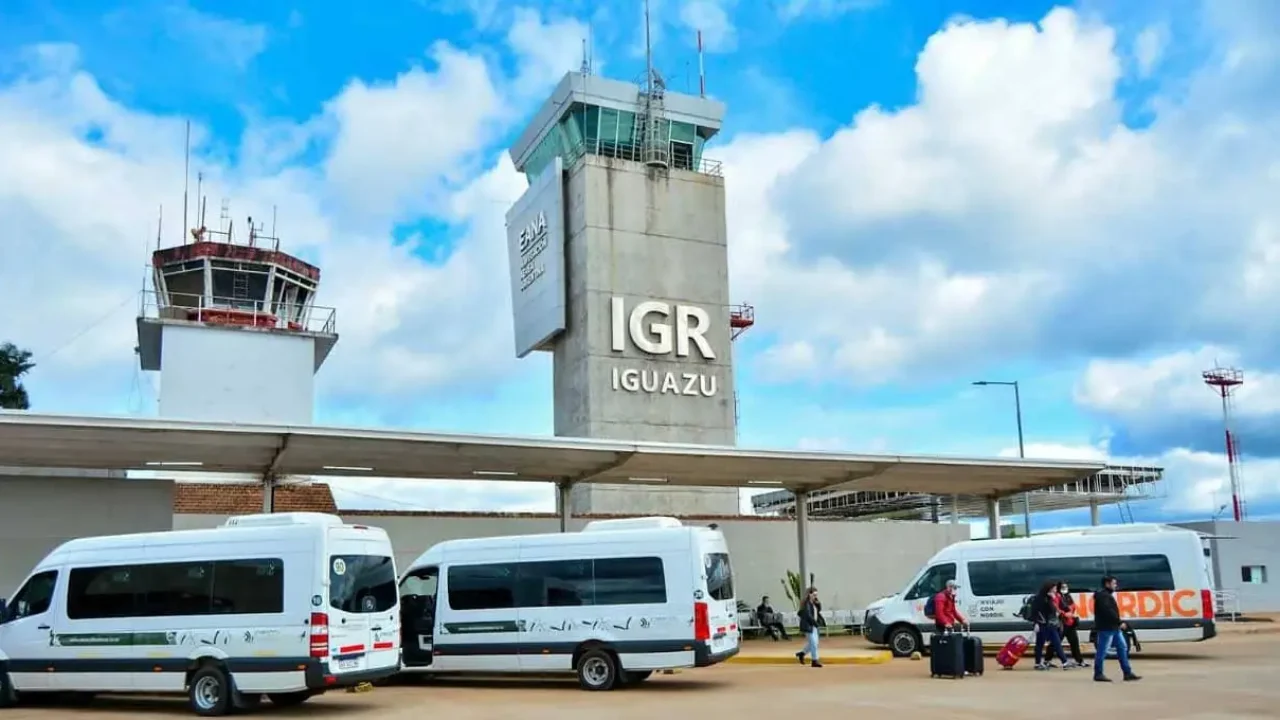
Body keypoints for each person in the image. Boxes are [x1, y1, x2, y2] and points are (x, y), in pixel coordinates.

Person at [1093, 575, 1142, 683]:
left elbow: (1111, 612)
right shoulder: (1103, 596)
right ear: (1107, 584)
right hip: (1107, 628)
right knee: (1102, 651)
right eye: (1114, 583)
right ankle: (1098, 673)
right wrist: (1119, 622)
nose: (1116, 586)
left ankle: (1127, 673)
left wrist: (1117, 623)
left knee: (1122, 648)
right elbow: (1108, 612)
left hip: (1113, 627)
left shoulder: (1106, 595)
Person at [1031, 580, 1076, 670]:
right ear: (1049, 589)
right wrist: (1036, 623)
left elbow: (1059, 609)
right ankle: (1037, 663)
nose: (1055, 591)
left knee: (1057, 643)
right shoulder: (1040, 599)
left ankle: (1065, 662)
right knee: (1040, 644)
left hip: (1051, 625)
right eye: (1054, 589)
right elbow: (1041, 611)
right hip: (1042, 624)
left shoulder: (1049, 598)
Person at [1056, 581, 1089, 667]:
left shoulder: (1068, 596)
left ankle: (1079, 661)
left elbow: (1072, 606)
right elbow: (1056, 608)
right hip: (1062, 623)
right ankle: (1046, 660)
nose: (1065, 589)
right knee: (1055, 642)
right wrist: (1065, 613)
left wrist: (1070, 613)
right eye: (1062, 587)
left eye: (1066, 587)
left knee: (1074, 642)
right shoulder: (1057, 597)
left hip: (1070, 623)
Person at [794, 586, 823, 668]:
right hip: (809, 626)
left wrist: (818, 604)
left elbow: (818, 611)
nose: (816, 596)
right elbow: (808, 616)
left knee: (814, 644)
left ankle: (802, 653)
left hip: (814, 626)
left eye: (816, 595)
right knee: (813, 644)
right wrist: (815, 624)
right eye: (814, 595)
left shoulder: (813, 603)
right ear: (809, 595)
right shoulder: (807, 604)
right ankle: (815, 661)